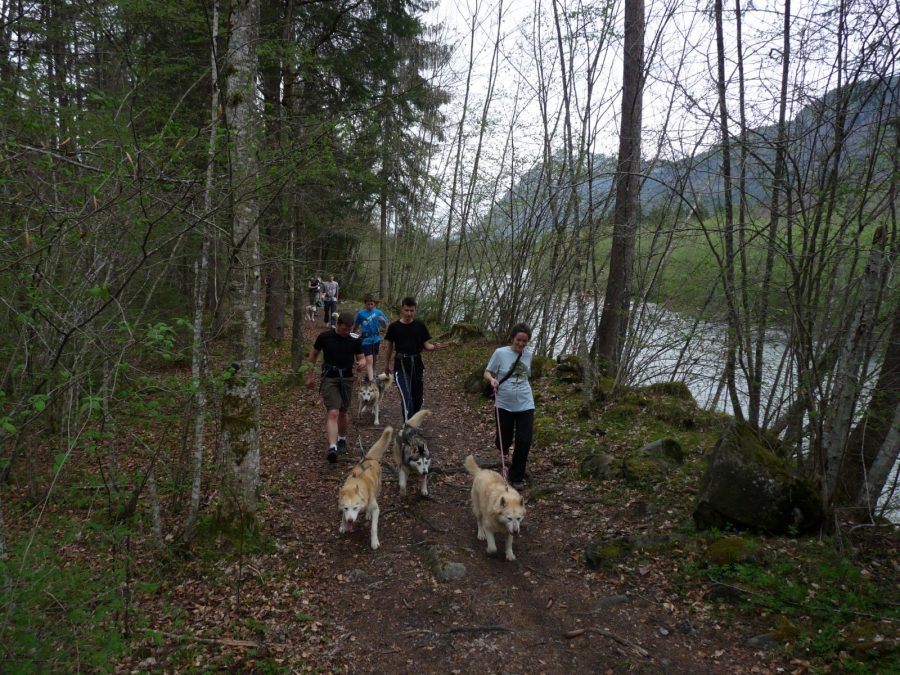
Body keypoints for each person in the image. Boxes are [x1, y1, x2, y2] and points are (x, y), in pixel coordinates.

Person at [307, 311, 366, 463]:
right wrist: (310, 376)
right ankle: (332, 447)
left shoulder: (354, 339)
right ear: (338, 325)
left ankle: (341, 439)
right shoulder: (325, 337)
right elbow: (313, 355)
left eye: (349, 329)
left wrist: (362, 364)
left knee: (342, 412)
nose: (347, 332)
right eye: (344, 329)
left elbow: (361, 358)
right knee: (333, 412)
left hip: (346, 378)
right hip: (330, 378)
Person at [483, 323, 534, 490]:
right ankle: (502, 451)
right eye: (518, 340)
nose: (520, 344)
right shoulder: (500, 353)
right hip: (503, 403)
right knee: (503, 440)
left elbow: (527, 377)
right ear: (512, 338)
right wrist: (492, 380)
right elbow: (487, 372)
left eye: (524, 341)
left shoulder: (528, 355)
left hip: (526, 404)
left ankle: (516, 477)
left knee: (524, 441)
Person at [382, 297, 444, 422]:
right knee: (406, 398)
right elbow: (389, 347)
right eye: (406, 310)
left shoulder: (420, 326)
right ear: (402, 309)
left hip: (417, 365)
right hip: (401, 366)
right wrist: (387, 364)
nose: (409, 313)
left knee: (418, 399)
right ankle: (408, 429)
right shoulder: (394, 327)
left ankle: (413, 422)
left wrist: (435, 347)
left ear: (415, 310)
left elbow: (426, 346)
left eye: (411, 310)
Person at [353, 294, 390, 382]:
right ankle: (372, 382)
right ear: (365, 303)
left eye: (371, 304)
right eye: (368, 304)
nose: (370, 306)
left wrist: (383, 321)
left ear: (375, 304)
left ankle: (370, 375)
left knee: (374, 359)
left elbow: (385, 326)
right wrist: (351, 333)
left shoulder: (379, 313)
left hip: (376, 339)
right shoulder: (361, 314)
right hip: (365, 339)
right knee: (369, 360)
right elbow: (356, 325)